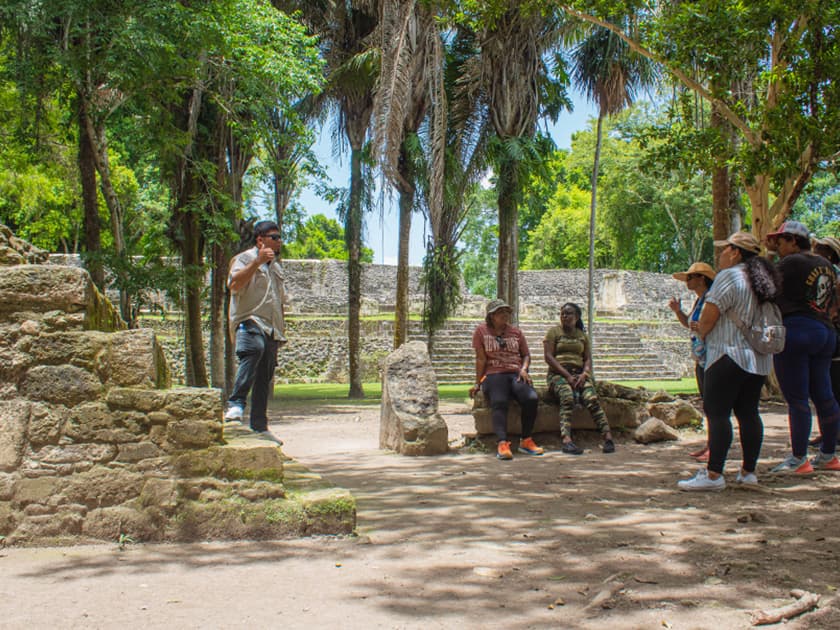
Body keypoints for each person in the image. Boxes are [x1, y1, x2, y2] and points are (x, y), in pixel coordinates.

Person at [678, 231, 779, 491]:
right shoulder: (762, 280)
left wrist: (699, 328)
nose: (720, 254)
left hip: (727, 353)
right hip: (757, 358)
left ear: (735, 252)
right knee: (748, 413)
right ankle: (748, 472)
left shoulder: (728, 277)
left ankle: (714, 475)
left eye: (724, 249)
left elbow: (708, 321)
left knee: (718, 412)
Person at [764, 221, 840, 473]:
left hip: (797, 330)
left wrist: (769, 257)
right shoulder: (827, 265)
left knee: (797, 399)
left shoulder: (791, 262)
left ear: (794, 241)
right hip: (825, 331)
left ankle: (799, 459)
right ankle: (828, 455)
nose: (779, 247)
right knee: (824, 395)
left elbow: (765, 288)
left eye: (782, 242)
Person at [224, 220, 287, 443]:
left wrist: (281, 330)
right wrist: (257, 262)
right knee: (253, 349)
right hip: (249, 319)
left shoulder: (276, 268)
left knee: (265, 375)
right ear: (260, 240)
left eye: (279, 237)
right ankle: (235, 404)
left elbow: (279, 301)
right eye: (274, 237)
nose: (279, 241)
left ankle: (260, 426)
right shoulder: (244, 259)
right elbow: (234, 285)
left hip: (272, 327)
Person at [469, 299, 543, 460]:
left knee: (531, 398)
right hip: (494, 373)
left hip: (515, 372)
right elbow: (481, 359)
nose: (505, 315)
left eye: (507, 312)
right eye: (500, 312)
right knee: (499, 401)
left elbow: (526, 355)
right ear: (491, 316)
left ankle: (526, 440)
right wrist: (477, 382)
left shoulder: (516, 333)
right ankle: (502, 443)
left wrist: (524, 369)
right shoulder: (481, 332)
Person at [543, 303, 615, 455]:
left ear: (576, 317)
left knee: (592, 399)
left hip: (579, 374)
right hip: (558, 374)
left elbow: (587, 359)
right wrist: (567, 376)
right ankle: (566, 440)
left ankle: (608, 437)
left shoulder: (582, 335)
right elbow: (549, 357)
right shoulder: (553, 332)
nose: (565, 316)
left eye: (569, 314)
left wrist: (584, 375)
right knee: (567, 396)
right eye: (562, 313)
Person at [669, 262, 716, 462]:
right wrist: (677, 311)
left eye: (690, 277)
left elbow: (716, 325)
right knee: (707, 403)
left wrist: (701, 327)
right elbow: (690, 323)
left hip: (712, 355)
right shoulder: (699, 301)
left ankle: (715, 447)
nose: (687, 281)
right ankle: (710, 444)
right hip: (701, 357)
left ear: (702, 278)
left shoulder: (712, 300)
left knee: (714, 405)